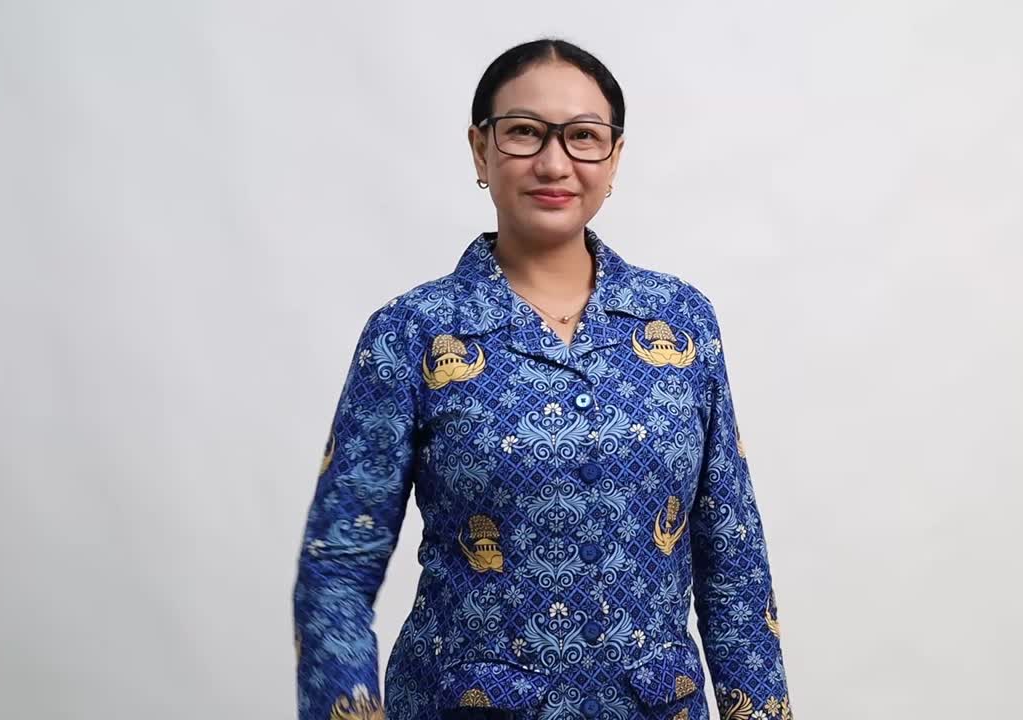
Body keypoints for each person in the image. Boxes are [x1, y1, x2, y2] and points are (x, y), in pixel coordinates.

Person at [293, 38, 793, 720]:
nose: (554, 161)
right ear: (481, 149)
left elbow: (732, 555)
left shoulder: (679, 321)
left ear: (614, 157)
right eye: (525, 132)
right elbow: (337, 570)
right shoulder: (413, 332)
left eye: (583, 137)